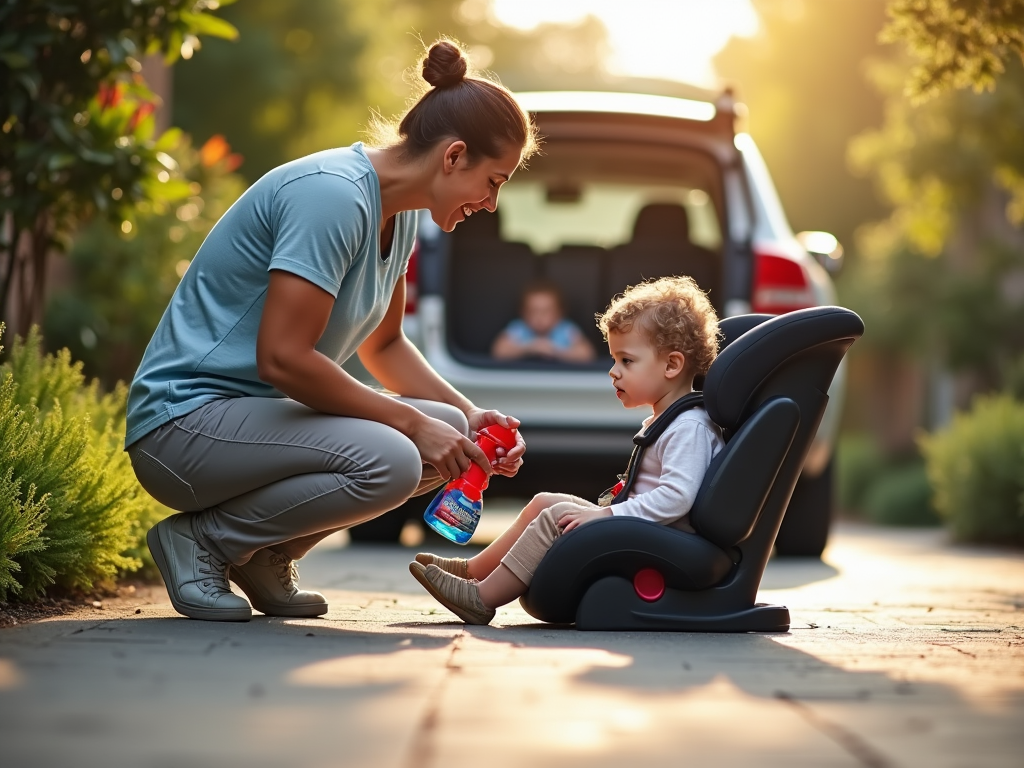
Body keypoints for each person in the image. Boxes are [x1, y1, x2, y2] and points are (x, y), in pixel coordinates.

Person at [125, 40, 539, 622]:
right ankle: (204, 541)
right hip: (183, 427)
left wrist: (467, 417)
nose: (492, 203)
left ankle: (266, 555)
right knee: (398, 455)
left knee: (442, 430)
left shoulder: (404, 214)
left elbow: (385, 345)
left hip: (248, 424)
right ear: (453, 157)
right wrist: (413, 422)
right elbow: (284, 361)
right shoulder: (333, 197)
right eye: (493, 181)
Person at [410, 275, 723, 625]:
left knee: (553, 518)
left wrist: (604, 517)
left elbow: (675, 499)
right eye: (614, 360)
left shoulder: (689, 427)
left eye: (627, 361)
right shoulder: (669, 419)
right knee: (545, 501)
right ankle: (472, 570)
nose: (613, 372)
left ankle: (481, 599)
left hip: (659, 541)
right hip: (643, 528)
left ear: (672, 365)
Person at [491, 280, 596, 362]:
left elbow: (587, 354)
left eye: (546, 312)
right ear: (523, 313)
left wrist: (555, 351)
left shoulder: (566, 329)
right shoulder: (519, 328)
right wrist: (529, 348)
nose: (539, 317)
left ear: (559, 313)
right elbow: (499, 351)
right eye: (533, 312)